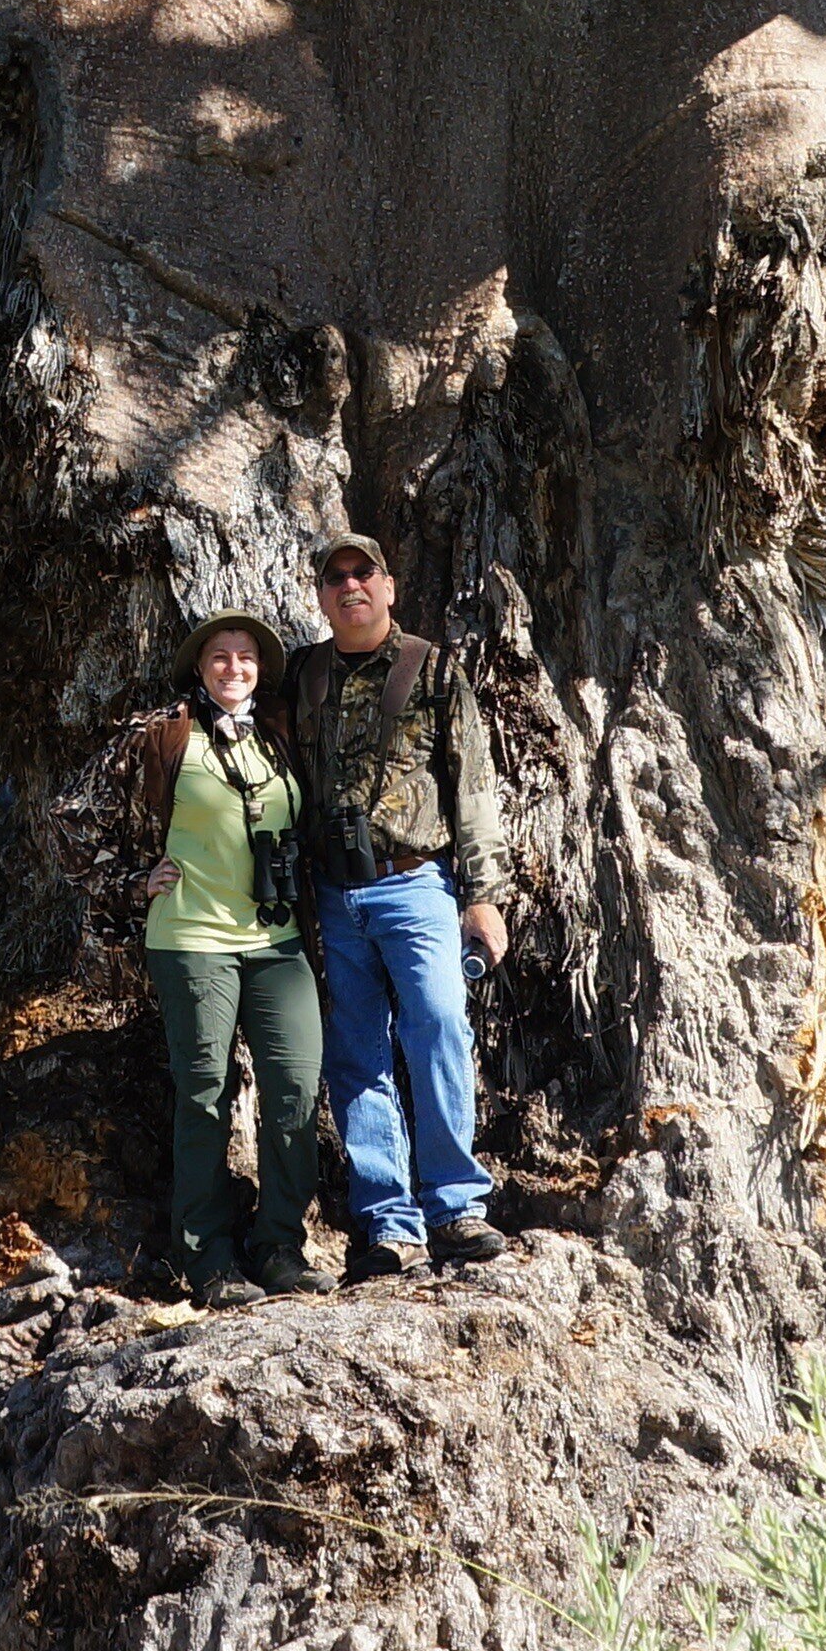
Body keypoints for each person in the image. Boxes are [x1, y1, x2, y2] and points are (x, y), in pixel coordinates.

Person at [280, 532, 511, 1277]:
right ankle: (388, 1221)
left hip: (415, 884)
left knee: (439, 1027)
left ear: (388, 586)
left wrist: (481, 896)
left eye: (363, 573)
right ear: (320, 596)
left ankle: (454, 1206)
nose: (350, 587)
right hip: (331, 892)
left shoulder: (435, 670)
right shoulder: (301, 675)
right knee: (355, 1053)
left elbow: (472, 787)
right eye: (335, 577)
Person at [125, 608, 325, 1306]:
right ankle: (207, 1257)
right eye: (220, 656)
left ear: (261, 669)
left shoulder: (278, 733)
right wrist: (130, 879)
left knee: (296, 1091)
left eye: (246, 657)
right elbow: (73, 816)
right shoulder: (165, 734)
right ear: (199, 666)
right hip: (192, 939)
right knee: (205, 1096)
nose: (234, 667)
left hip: (277, 940)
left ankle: (279, 1245)